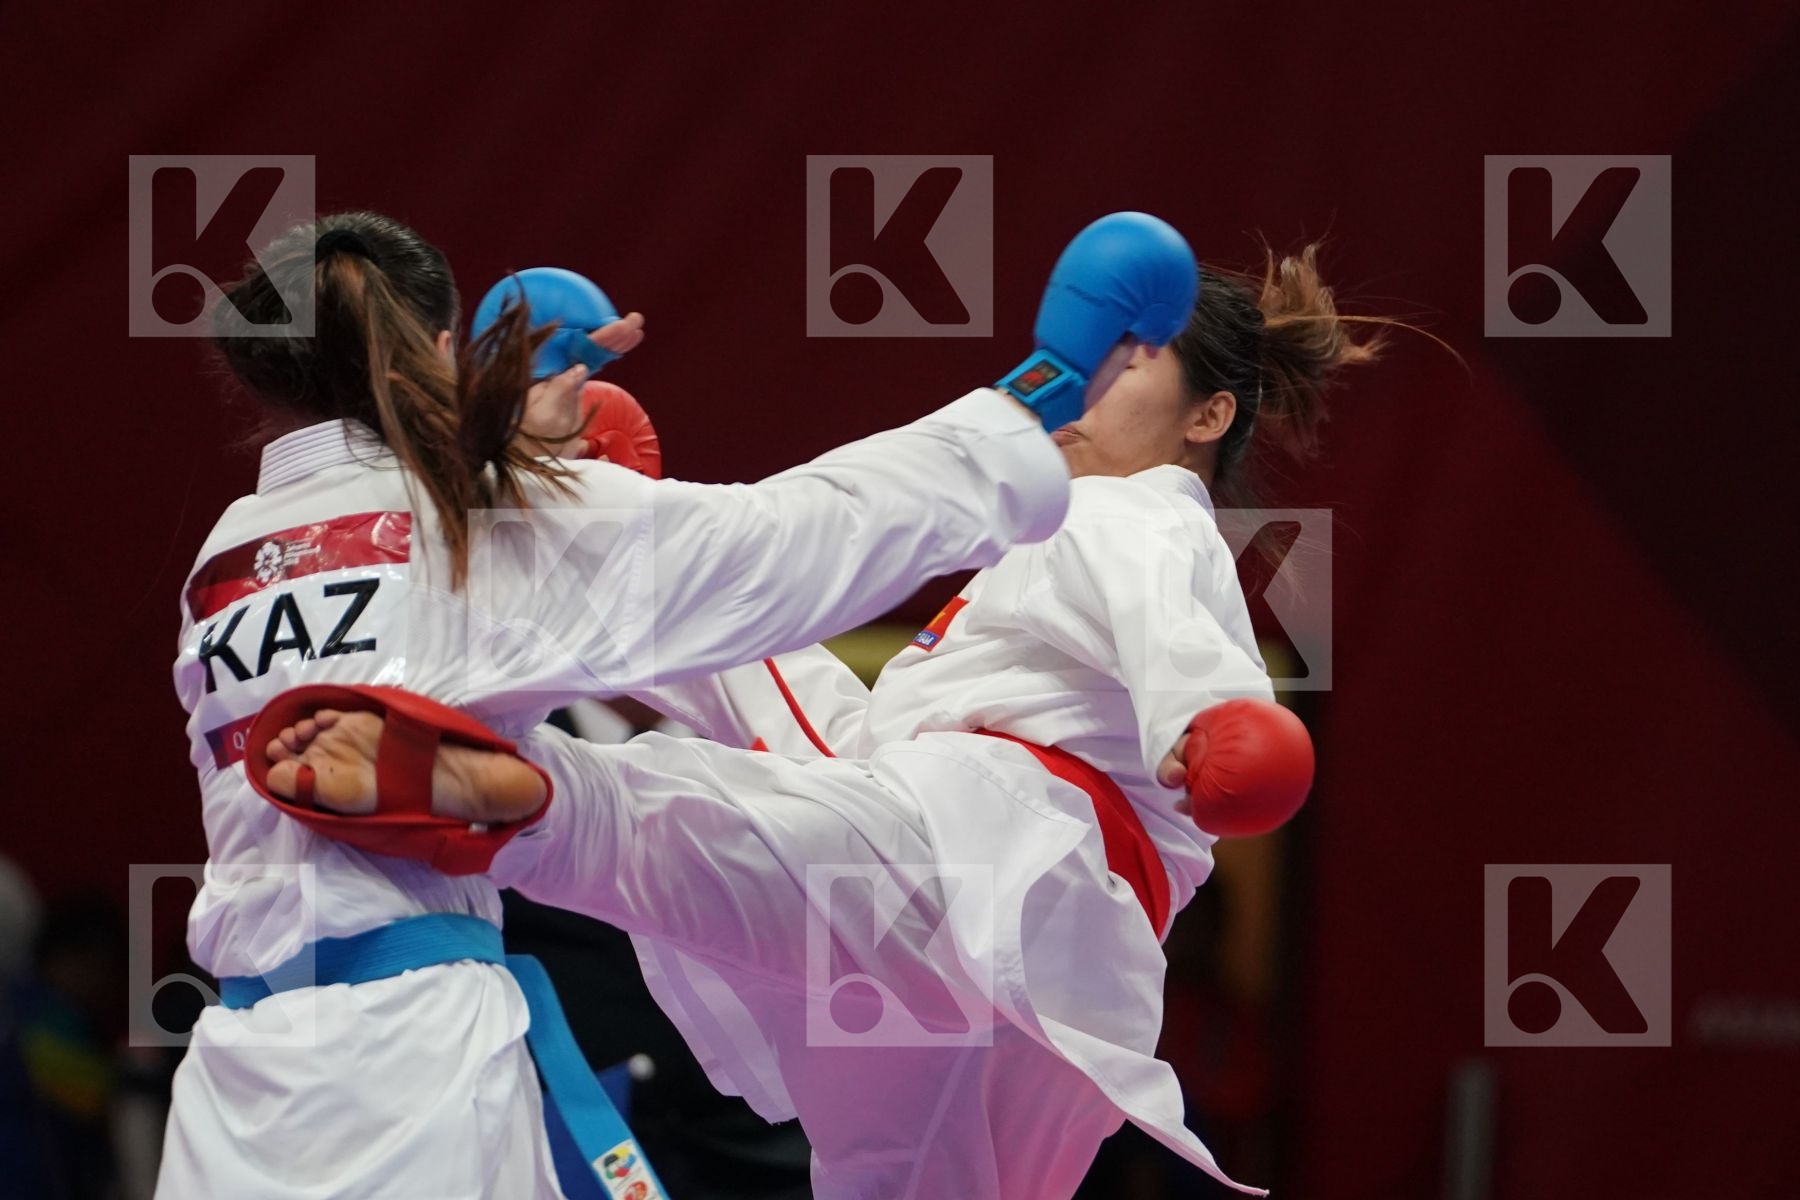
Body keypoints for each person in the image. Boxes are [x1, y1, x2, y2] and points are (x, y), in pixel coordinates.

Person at [254, 242, 1388, 1198]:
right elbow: (820, 728)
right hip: (1007, 952)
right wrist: (643, 533)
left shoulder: (1135, 513)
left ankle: (521, 788)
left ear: (1211, 415)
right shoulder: (1022, 569)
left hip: (1011, 861)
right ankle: (545, 789)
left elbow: (1169, 623)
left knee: (722, 816)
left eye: (1127, 366)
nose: (1087, 393)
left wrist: (1214, 719)